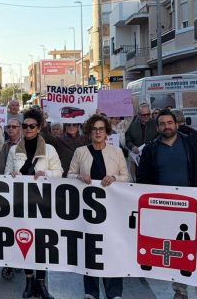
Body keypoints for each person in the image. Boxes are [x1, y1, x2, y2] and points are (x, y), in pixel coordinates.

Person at [137, 109, 197, 299]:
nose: (167, 126)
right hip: (166, 208)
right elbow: (143, 178)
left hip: (194, 205)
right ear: (157, 127)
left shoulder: (192, 144)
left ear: (176, 124)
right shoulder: (151, 149)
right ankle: (180, 291)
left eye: (169, 123)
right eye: (162, 124)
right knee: (175, 250)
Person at [67, 114, 129, 299]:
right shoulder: (80, 152)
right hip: (88, 212)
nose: (98, 132)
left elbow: (127, 178)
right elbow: (69, 175)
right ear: (89, 132)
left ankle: (114, 292)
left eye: (101, 129)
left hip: (112, 211)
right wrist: (79, 177)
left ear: (107, 131)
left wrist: (115, 178)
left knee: (112, 248)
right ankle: (91, 292)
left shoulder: (116, 152)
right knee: (90, 250)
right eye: (94, 129)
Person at [5, 107, 62, 299]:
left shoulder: (49, 149)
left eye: (32, 126)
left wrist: (46, 174)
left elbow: (59, 172)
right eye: (25, 125)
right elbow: (5, 174)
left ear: (38, 128)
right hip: (21, 204)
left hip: (43, 204)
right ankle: (29, 281)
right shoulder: (13, 150)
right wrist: (11, 175)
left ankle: (41, 283)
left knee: (42, 244)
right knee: (25, 242)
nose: (28, 128)